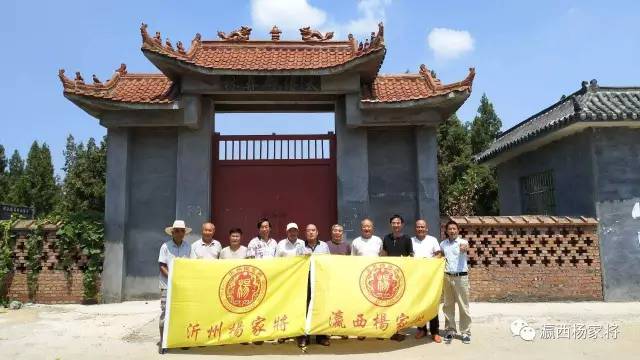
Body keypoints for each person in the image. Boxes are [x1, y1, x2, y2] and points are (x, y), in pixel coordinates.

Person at [157, 220, 192, 354]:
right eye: (177, 230)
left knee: (183, 313)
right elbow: (162, 266)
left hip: (183, 285)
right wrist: (172, 277)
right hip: (167, 285)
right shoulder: (165, 246)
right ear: (172, 232)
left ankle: (182, 340)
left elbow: (191, 265)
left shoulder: (188, 247)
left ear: (184, 233)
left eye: (182, 230)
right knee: (166, 313)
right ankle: (163, 342)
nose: (179, 233)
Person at [380, 214, 412, 342]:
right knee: (388, 304)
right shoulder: (386, 238)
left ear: (402, 225)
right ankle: (387, 329)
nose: (396, 225)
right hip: (388, 277)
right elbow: (384, 254)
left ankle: (400, 330)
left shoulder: (407, 239)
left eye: (398, 223)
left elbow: (411, 256)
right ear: (390, 225)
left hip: (402, 276)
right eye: (394, 223)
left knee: (400, 305)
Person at [275, 222, 307, 348]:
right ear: (286, 232)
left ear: (297, 232)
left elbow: (304, 259)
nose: (292, 233)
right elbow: (276, 262)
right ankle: (284, 333)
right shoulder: (281, 244)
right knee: (285, 305)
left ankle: (300, 335)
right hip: (285, 281)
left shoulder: (302, 243)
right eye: (290, 231)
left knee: (299, 306)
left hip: (300, 280)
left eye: (294, 231)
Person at [350, 218, 383, 341]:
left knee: (377, 304)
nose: (367, 229)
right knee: (362, 305)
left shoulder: (378, 241)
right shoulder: (355, 242)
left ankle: (378, 330)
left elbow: (381, 256)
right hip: (361, 279)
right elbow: (352, 260)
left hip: (376, 280)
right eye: (364, 226)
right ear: (361, 228)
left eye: (369, 226)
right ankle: (362, 330)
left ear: (372, 228)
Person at [411, 219, 443, 343]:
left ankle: (435, 332)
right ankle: (422, 329)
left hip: (431, 279)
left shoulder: (433, 240)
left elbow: (439, 254)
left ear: (426, 228)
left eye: (422, 227)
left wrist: (428, 261)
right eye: (418, 227)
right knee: (419, 305)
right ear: (415, 229)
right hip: (416, 278)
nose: (420, 229)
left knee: (432, 304)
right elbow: (409, 256)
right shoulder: (411, 241)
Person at [441, 220, 471, 344]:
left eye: (454, 229)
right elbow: (441, 257)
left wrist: (464, 248)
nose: (452, 231)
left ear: (458, 230)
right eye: (450, 229)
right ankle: (450, 330)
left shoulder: (463, 242)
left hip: (461, 277)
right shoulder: (443, 244)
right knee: (448, 305)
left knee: (463, 305)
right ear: (446, 231)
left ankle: (465, 332)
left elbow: (466, 248)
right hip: (447, 277)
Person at [303, 224, 331, 346]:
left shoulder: (324, 246)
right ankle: (306, 336)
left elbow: (329, 262)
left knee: (320, 306)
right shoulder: (300, 246)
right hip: (306, 279)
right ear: (305, 233)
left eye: (313, 230)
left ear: (317, 232)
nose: (311, 233)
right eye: (308, 231)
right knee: (306, 306)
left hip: (320, 279)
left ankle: (321, 336)